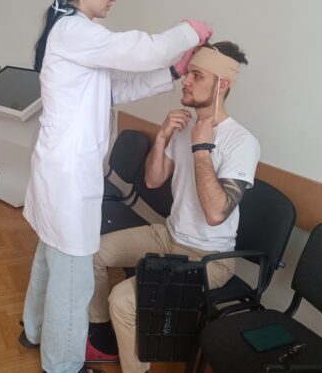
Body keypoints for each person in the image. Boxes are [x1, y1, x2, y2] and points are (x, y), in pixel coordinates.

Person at [19, 0, 211, 373]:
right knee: (73, 282)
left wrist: (173, 72)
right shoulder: (75, 32)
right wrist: (189, 31)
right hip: (68, 181)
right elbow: (140, 49)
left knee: (49, 259)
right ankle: (62, 365)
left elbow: (117, 89)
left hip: (60, 175)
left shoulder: (73, 34)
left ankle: (33, 330)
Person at [87, 41, 261, 373]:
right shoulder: (185, 131)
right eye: (188, 74)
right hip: (169, 236)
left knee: (123, 300)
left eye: (197, 76)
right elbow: (153, 180)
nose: (186, 81)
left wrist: (201, 147)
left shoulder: (242, 142)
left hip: (209, 258)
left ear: (222, 85)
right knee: (92, 253)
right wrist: (163, 136)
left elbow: (216, 213)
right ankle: (102, 336)